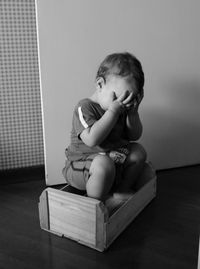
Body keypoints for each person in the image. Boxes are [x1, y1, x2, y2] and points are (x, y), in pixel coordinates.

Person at [62, 52, 147, 202]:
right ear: (100, 84)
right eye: (118, 98)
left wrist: (133, 114)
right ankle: (95, 203)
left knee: (138, 152)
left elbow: (134, 135)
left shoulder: (121, 107)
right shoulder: (84, 107)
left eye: (129, 100)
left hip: (114, 161)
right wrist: (112, 111)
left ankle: (120, 192)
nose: (123, 104)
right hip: (82, 166)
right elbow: (92, 139)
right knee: (103, 164)